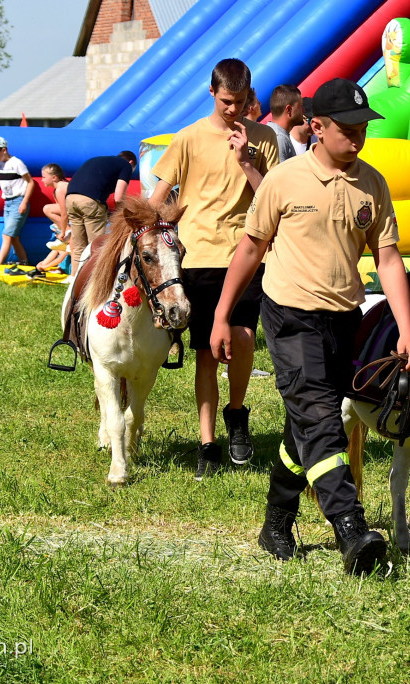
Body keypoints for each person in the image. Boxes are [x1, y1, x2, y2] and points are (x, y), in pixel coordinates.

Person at [210, 78, 410, 575]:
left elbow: (388, 259)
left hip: (344, 316)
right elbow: (250, 249)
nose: (358, 137)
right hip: (290, 314)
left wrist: (407, 330)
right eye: (347, 129)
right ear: (317, 127)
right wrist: (222, 315)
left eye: (363, 128)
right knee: (323, 419)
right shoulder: (284, 180)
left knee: (304, 424)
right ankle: (351, 529)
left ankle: (277, 520)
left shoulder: (372, 183)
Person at [149, 58, 279, 478]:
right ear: (212, 93)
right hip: (199, 258)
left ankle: (236, 413)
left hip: (245, 254)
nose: (233, 110)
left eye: (240, 102)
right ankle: (207, 444)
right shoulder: (187, 138)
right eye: (226, 101)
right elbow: (158, 197)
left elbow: (273, 200)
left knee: (242, 340)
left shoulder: (264, 138)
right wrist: (135, 233)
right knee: (206, 353)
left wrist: (247, 162)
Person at [65, 151, 136, 272]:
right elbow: (119, 197)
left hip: (70, 198)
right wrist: (121, 217)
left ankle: (75, 280)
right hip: (90, 201)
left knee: (78, 246)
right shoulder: (126, 165)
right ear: (131, 162)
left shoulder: (97, 159)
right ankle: (95, 280)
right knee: (96, 246)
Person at [0, 136, 34, 266]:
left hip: (18, 202)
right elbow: (6, 182)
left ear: (4, 150)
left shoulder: (17, 163)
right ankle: (24, 262)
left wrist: (24, 202)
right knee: (14, 237)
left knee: (7, 235)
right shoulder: (1, 164)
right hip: (8, 203)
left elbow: (30, 182)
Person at [267, 84, 305, 162]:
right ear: (289, 110)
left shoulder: (273, 133)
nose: (303, 110)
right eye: (300, 106)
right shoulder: (279, 138)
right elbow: (278, 174)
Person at [41, 163, 70, 248]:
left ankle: (68, 232)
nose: (42, 180)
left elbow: (64, 213)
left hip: (79, 211)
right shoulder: (57, 190)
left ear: (54, 177)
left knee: (47, 209)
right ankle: (67, 233)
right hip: (75, 213)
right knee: (54, 224)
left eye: (44, 177)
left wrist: (64, 231)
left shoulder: (60, 189)